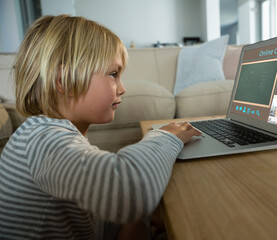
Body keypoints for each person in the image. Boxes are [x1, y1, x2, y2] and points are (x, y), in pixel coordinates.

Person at [0, 15, 201, 239]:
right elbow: (129, 192)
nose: (122, 88)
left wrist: (141, 221)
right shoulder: (43, 140)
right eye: (113, 74)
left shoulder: (49, 133)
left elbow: (90, 219)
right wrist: (165, 136)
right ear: (64, 80)